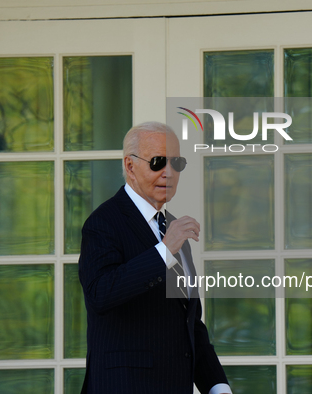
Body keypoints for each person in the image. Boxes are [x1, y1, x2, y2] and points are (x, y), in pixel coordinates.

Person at [79, 122, 232, 394]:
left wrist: (217, 386)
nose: (169, 173)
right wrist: (163, 251)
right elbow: (99, 294)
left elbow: (188, 322)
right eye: (158, 162)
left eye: (177, 163)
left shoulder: (171, 229)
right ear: (130, 166)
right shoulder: (103, 222)